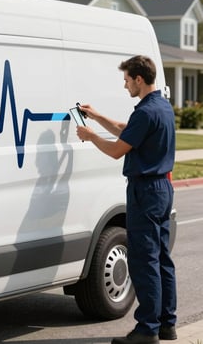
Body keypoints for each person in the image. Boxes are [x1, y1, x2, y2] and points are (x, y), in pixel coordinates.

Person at [76, 55, 177, 344]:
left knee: (144, 261)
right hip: (162, 189)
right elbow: (126, 129)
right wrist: (96, 116)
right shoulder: (162, 107)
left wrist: (90, 135)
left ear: (139, 79)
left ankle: (147, 330)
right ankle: (167, 324)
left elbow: (118, 150)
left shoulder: (146, 112)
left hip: (145, 192)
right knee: (161, 259)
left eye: (126, 80)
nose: (125, 85)